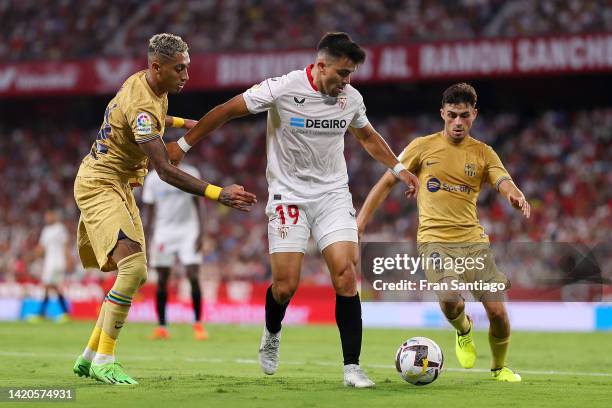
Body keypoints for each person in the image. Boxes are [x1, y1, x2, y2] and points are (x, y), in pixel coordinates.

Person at [166, 32, 419, 388]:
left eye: (351, 75)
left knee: (346, 274)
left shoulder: (351, 98)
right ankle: (272, 332)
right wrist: (181, 145)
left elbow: (367, 137)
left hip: (332, 195)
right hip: (288, 197)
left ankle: (352, 367)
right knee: (285, 286)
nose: (347, 82)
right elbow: (226, 111)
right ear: (320, 66)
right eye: (342, 73)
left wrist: (399, 168)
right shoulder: (282, 88)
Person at [71, 33, 257, 385]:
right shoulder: (143, 103)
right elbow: (167, 170)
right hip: (100, 183)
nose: (187, 75)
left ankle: (88, 356)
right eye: (179, 69)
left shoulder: (150, 87)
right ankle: (104, 359)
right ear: (157, 67)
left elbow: (153, 118)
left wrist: (183, 123)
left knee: (136, 273)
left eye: (188, 67)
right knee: (133, 269)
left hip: (120, 183)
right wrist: (219, 194)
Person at [357, 83, 531, 382]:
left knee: (499, 315)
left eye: (464, 116)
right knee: (451, 298)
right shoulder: (422, 147)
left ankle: (499, 368)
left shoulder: (483, 153)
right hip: (434, 241)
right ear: (442, 114)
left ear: (474, 115)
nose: (458, 122)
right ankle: (463, 330)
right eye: (452, 115)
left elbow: (503, 180)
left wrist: (515, 195)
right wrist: (360, 223)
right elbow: (387, 182)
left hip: (474, 244)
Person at [142, 160, 208, 341]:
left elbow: (199, 204)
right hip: (163, 232)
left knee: (193, 275)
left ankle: (198, 324)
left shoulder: (191, 171)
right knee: (162, 279)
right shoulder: (153, 179)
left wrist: (201, 233)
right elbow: (149, 212)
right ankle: (162, 326)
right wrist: (147, 241)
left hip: (189, 229)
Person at [30, 209, 72, 323]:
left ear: (54, 215)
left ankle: (42, 313)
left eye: (49, 215)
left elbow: (66, 245)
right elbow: (42, 248)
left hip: (58, 262)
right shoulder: (46, 230)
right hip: (49, 263)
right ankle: (64, 313)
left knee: (49, 286)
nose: (47, 218)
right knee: (52, 287)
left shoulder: (60, 228)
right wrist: (32, 256)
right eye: (46, 216)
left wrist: (68, 259)